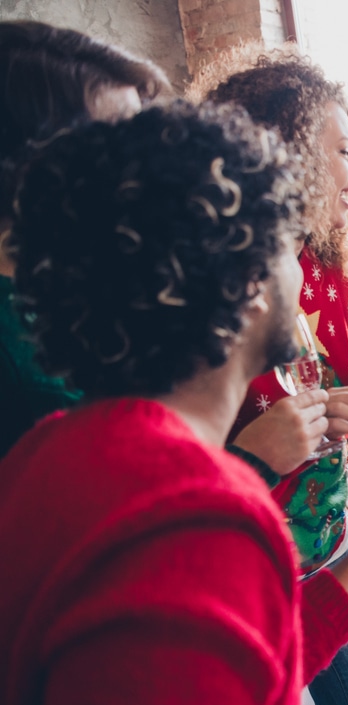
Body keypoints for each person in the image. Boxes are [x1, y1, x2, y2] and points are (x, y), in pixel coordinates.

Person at [0, 100, 348, 705]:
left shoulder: (51, 451)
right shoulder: (202, 517)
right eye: (288, 238)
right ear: (246, 282)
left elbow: (260, 660)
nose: (304, 262)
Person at [193, 48, 348, 705]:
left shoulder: (311, 266)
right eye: (342, 149)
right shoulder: (206, 297)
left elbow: (324, 390)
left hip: (316, 551)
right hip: (240, 579)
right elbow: (174, 480)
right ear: (280, 156)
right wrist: (254, 454)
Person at [0, 20, 170, 460]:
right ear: (30, 165)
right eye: (121, 145)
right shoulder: (18, 350)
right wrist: (257, 459)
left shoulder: (84, 290)